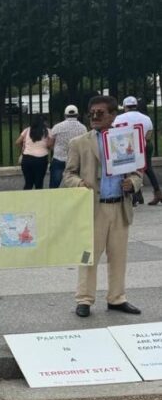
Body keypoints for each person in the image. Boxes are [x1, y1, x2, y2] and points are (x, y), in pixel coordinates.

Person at [62, 96, 143, 318]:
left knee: (118, 256)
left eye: (101, 113)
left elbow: (138, 172)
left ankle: (117, 298)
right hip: (94, 208)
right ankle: (84, 299)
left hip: (119, 206)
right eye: (92, 113)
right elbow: (68, 173)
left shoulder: (125, 140)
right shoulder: (79, 143)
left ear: (113, 115)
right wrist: (79, 183)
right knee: (89, 256)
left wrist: (133, 183)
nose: (95, 117)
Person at [115, 96, 161, 206]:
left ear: (125, 106)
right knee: (147, 168)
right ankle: (157, 192)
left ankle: (135, 196)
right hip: (144, 146)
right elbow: (149, 135)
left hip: (127, 147)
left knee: (130, 170)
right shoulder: (146, 118)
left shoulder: (119, 118)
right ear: (136, 105)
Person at [48, 105, 87, 189]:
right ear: (77, 115)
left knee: (54, 185)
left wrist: (55, 149)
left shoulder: (57, 127)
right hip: (76, 159)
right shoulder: (83, 128)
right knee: (75, 184)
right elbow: (85, 144)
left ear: (65, 115)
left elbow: (50, 143)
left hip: (59, 158)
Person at [16, 116, 50, 190]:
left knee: (28, 183)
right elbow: (50, 144)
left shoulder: (27, 130)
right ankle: (38, 200)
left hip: (27, 159)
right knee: (39, 183)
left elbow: (18, 142)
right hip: (41, 159)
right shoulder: (47, 131)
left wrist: (23, 148)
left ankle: (26, 199)